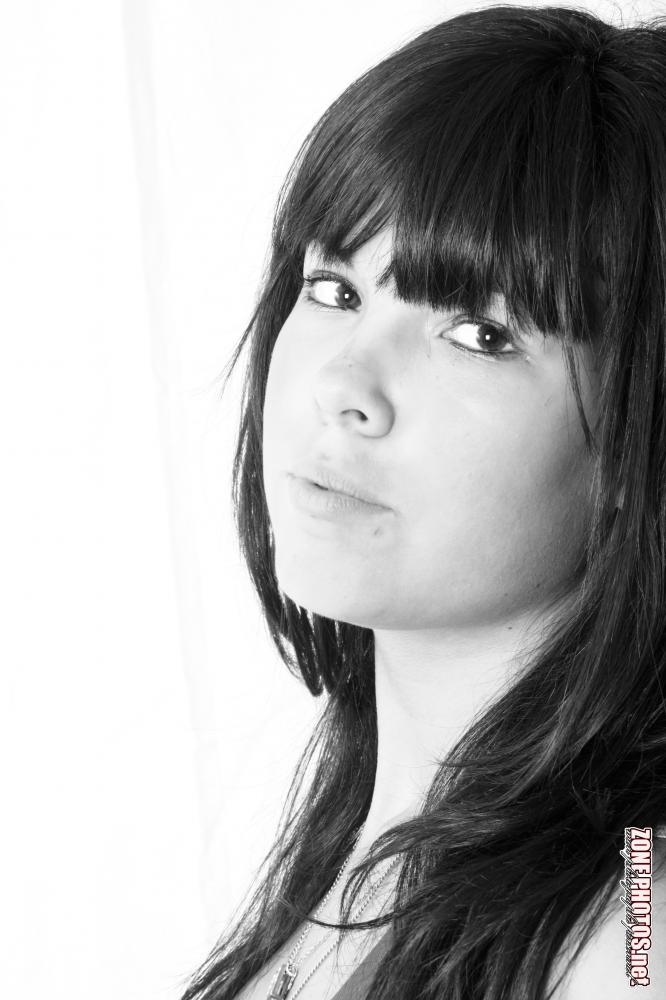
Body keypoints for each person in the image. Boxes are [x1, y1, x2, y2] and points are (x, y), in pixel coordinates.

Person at [180, 6, 666, 998]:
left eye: (482, 335)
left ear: (637, 435)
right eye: (335, 290)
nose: (344, 386)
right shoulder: (358, 843)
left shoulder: (634, 931)